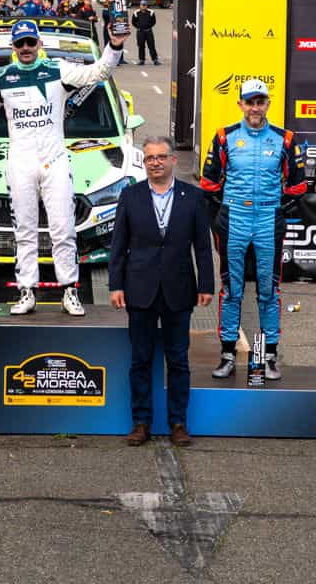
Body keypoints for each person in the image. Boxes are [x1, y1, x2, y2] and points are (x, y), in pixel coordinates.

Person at [0, 16, 125, 315]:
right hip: (21, 162)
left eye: (30, 42)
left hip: (54, 161)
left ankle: (70, 291)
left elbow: (99, 72)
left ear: (39, 44)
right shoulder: (1, 76)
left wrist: (114, 45)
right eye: (20, 44)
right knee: (24, 231)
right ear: (13, 47)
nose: (26, 48)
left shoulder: (58, 71)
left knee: (63, 229)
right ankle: (26, 291)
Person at [109, 137, 214, 448]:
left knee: (178, 360)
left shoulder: (193, 197)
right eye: (149, 158)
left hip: (178, 289)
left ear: (173, 161)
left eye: (160, 157)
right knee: (140, 360)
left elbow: (203, 246)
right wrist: (116, 284)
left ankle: (178, 423)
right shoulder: (130, 196)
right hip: (139, 289)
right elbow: (118, 245)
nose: (154, 162)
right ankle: (141, 422)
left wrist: (206, 284)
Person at [199, 78, 304, 379]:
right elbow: (209, 183)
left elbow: (297, 186)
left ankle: (268, 356)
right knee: (232, 289)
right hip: (235, 219)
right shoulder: (224, 137)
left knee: (268, 290)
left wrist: (278, 211)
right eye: (250, 101)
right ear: (241, 104)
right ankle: (228, 354)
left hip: (268, 220)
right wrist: (223, 214)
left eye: (260, 101)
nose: (255, 107)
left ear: (268, 103)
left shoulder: (284, 139)